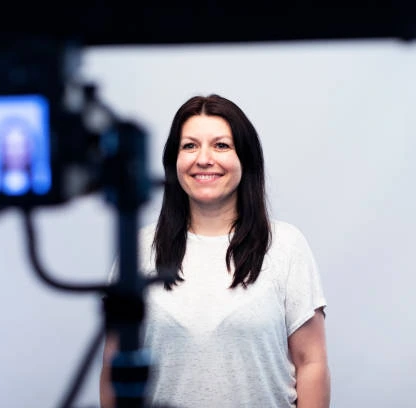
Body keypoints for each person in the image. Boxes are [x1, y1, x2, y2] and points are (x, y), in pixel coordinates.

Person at [100, 94, 330, 408]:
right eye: (189, 145)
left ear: (244, 159)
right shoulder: (139, 248)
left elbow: (311, 363)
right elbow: (115, 367)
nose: (204, 159)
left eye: (221, 145)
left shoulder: (286, 245)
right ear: (174, 161)